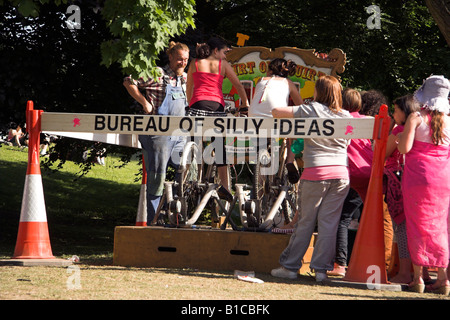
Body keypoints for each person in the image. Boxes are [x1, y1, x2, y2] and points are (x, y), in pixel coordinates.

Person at [270, 75, 351, 282]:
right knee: (329, 225)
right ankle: (321, 271)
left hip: (316, 172)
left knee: (305, 222)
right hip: (341, 174)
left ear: (318, 92)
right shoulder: (345, 115)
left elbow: (277, 112)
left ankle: (290, 267)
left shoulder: (310, 109)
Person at [123, 41, 190, 224]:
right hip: (158, 134)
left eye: (185, 60)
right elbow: (129, 81)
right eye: (179, 59)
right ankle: (154, 220)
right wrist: (144, 103)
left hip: (179, 135)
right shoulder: (158, 73)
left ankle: (176, 215)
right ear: (170, 57)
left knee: (185, 173)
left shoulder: (184, 78)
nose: (182, 63)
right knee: (157, 177)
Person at [397, 75, 450, 295]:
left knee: (417, 226)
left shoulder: (416, 117)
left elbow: (404, 149)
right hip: (443, 178)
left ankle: (418, 278)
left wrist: (399, 138)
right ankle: (444, 280)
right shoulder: (449, 120)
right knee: (441, 227)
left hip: (418, 177)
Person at [186, 37, 249, 197]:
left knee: (193, 144)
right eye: (224, 52)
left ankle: (185, 180)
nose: (226, 56)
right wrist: (245, 105)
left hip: (197, 105)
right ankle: (226, 188)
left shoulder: (195, 63)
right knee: (219, 148)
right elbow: (239, 86)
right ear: (216, 51)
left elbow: (189, 86)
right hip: (216, 106)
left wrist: (190, 103)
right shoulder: (223, 65)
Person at [249, 58, 304, 184]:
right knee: (295, 129)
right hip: (275, 119)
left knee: (261, 146)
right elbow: (300, 105)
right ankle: (290, 161)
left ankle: (261, 182)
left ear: (270, 70)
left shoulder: (261, 81)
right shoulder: (287, 82)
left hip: (254, 121)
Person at [384, 94, 420, 284]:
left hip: (397, 180)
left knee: (401, 227)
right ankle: (419, 272)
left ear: (404, 111)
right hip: (416, 180)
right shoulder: (420, 130)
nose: (393, 113)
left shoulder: (399, 129)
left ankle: (404, 272)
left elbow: (384, 153)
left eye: (396, 109)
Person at [329, 88, 365, 277]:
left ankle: (340, 263)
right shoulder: (366, 121)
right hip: (368, 173)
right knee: (363, 219)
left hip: (351, 172)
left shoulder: (342, 120)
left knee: (342, 218)